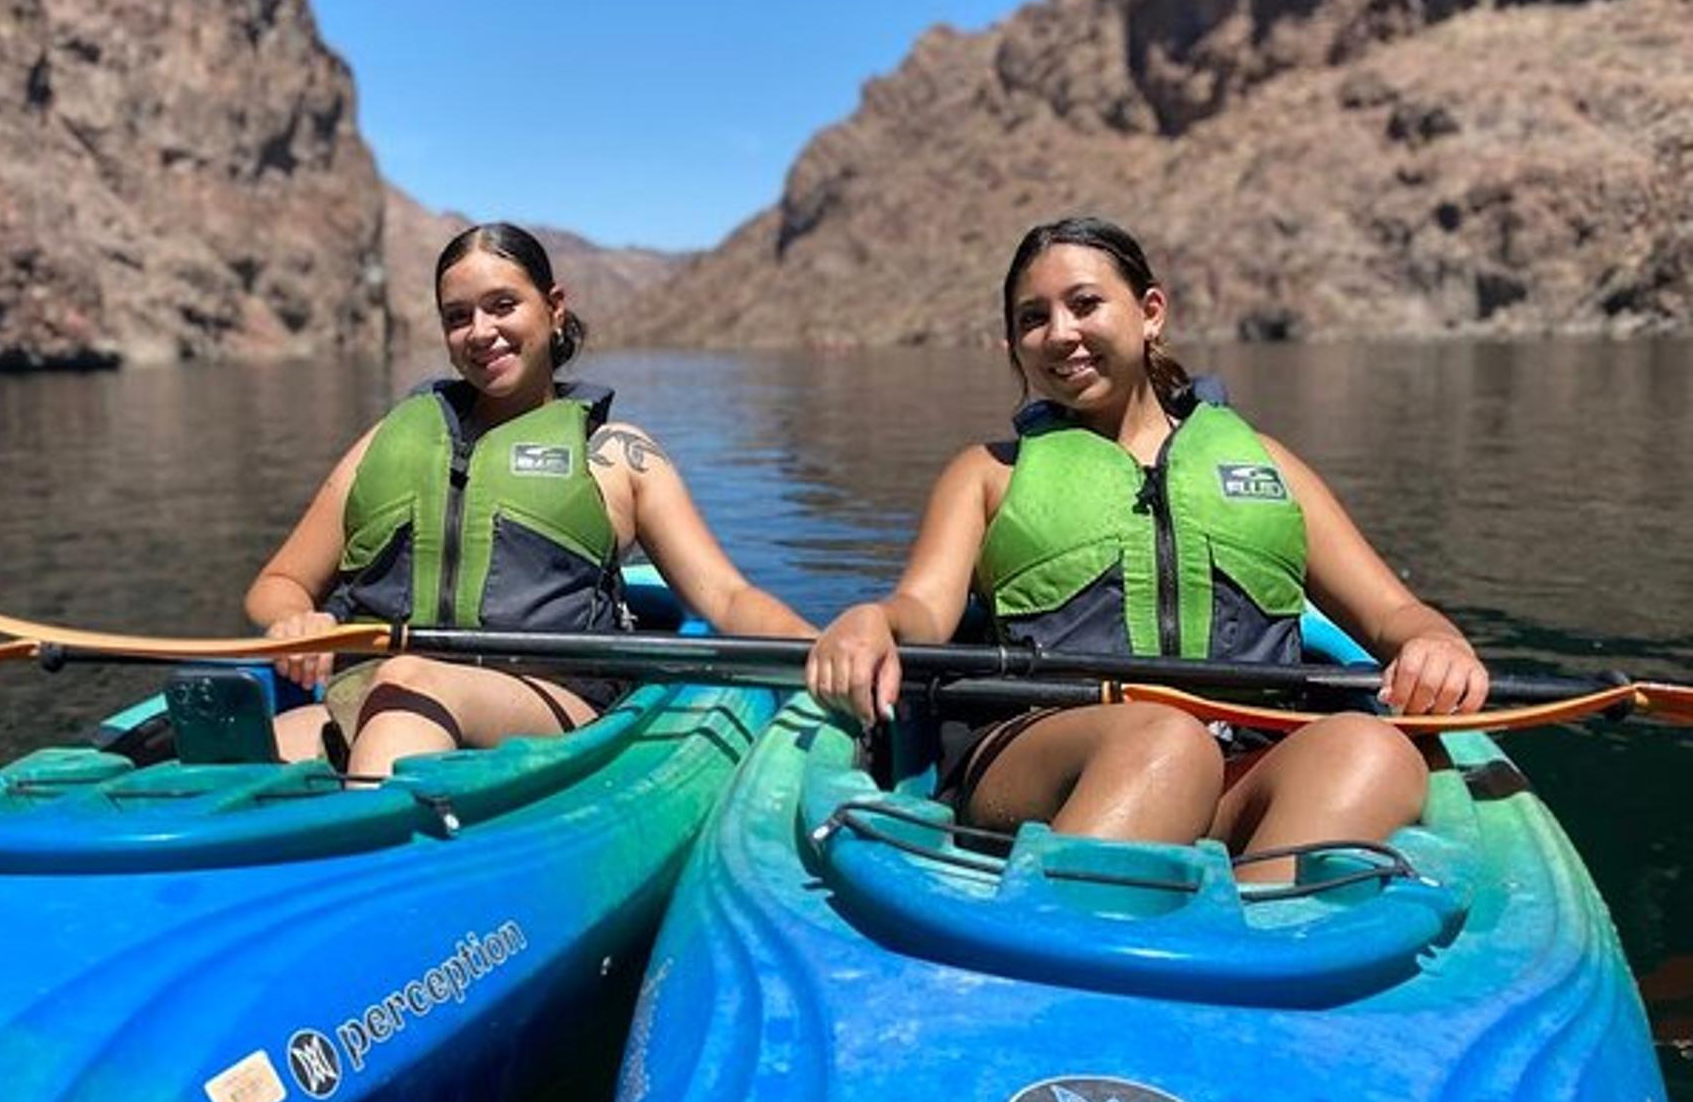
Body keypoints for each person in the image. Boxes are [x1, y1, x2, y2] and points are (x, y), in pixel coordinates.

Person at [805, 215, 1489, 881]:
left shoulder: (1270, 466)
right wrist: (876, 620)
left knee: (1378, 749)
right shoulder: (985, 474)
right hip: (1043, 764)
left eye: (1084, 304)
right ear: (1014, 346)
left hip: (1237, 769)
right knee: (1165, 739)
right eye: (1032, 319)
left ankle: (1247, 945)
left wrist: (1437, 641)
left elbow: (1391, 614)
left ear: (1150, 311)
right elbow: (923, 608)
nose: (1060, 333)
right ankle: (1059, 938)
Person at [248, 221, 813, 773]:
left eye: (502, 305)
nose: (480, 331)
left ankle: (365, 857)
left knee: (410, 684)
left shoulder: (616, 455)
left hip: (546, 703)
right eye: (457, 316)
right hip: (372, 698)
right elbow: (280, 584)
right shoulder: (388, 443)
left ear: (554, 306)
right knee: (214, 760)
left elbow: (730, 601)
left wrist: (816, 645)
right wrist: (298, 621)